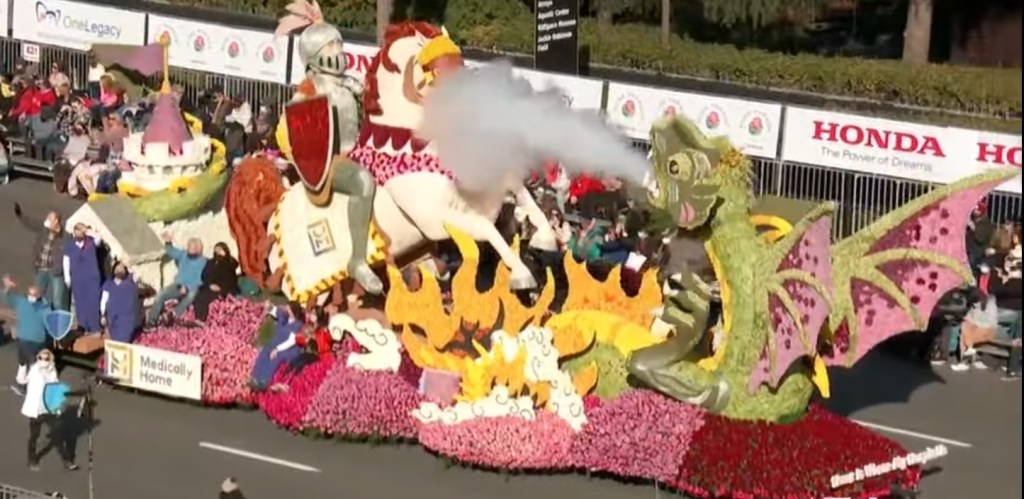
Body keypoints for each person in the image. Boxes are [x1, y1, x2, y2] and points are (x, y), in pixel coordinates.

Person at [275, 4, 383, 295]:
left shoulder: (352, 84)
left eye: (338, 43)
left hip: (359, 151)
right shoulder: (310, 88)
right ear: (314, 54)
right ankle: (358, 260)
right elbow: (299, 127)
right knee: (363, 183)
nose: (337, 50)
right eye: (329, 45)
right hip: (332, 162)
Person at [23, 348, 77, 471]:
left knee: (58, 434)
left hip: (48, 408)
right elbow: (22, 380)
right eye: (40, 358)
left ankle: (67, 461)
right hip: (36, 409)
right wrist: (21, 368)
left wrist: (56, 407)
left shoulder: (52, 372)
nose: (43, 360)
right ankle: (31, 460)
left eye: (46, 358)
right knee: (34, 436)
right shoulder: (34, 370)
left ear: (50, 359)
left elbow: (55, 390)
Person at [3, 275, 50, 396]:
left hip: (25, 340)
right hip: (37, 341)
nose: (31, 297)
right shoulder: (45, 308)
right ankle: (28, 385)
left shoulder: (22, 302)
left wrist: (7, 287)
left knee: (24, 363)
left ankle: (25, 385)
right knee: (32, 364)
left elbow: (6, 297)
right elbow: (50, 324)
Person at [14, 205, 69, 310]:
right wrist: (20, 215)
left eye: (49, 219)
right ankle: (38, 319)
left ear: (56, 221)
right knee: (37, 296)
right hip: (41, 269)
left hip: (55, 272)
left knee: (57, 301)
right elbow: (31, 223)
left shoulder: (65, 237)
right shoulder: (44, 229)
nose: (46, 221)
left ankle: (58, 322)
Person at [146, 233, 208, 327]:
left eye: (193, 247)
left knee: (192, 294)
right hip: (178, 285)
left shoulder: (203, 261)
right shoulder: (183, 254)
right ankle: (152, 321)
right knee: (161, 295)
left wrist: (187, 287)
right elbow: (171, 252)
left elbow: (199, 279)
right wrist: (168, 242)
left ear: (198, 249)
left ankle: (173, 314)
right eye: (189, 246)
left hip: (192, 287)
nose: (190, 249)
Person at [250, 301, 306, 390]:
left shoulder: (298, 325)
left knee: (276, 357)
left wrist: (277, 349)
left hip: (288, 349)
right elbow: (275, 310)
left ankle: (265, 380)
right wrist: (269, 306)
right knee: (265, 351)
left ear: (292, 311)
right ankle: (256, 377)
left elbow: (291, 341)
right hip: (275, 345)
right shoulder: (284, 318)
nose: (286, 310)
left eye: (288, 309)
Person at [63, 223, 103, 334]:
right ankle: (83, 327)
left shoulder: (91, 242)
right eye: (76, 230)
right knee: (80, 303)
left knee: (93, 303)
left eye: (80, 230)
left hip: (92, 278)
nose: (77, 233)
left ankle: (95, 328)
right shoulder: (69, 245)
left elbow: (99, 239)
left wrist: (88, 231)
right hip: (77, 279)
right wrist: (67, 277)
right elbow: (66, 261)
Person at [192, 242, 240, 323]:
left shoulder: (229, 264)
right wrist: (209, 285)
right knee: (197, 295)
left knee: (204, 297)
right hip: (210, 286)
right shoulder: (211, 263)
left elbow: (230, 280)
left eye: (220, 250)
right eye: (216, 250)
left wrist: (220, 287)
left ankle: (202, 319)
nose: (218, 252)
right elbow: (205, 276)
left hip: (223, 289)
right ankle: (198, 319)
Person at [100, 261, 139, 343]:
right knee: (115, 338)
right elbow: (103, 301)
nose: (120, 270)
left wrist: (126, 263)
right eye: (117, 268)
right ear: (113, 270)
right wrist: (103, 315)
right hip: (113, 317)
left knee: (125, 338)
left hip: (127, 318)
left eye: (122, 268)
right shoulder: (108, 284)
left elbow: (137, 273)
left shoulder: (131, 281)